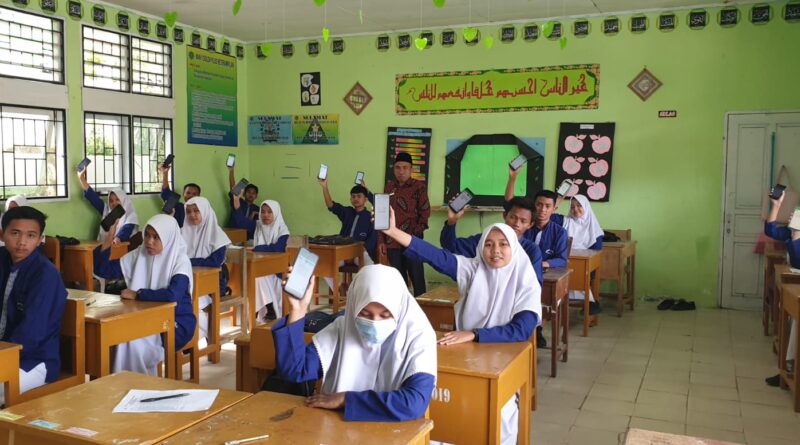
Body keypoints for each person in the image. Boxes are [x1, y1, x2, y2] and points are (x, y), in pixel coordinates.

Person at [383, 210, 540, 445]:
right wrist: (393, 231)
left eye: (503, 244)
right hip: (465, 354)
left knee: (496, 419)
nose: (495, 251)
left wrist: (474, 334)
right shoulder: (473, 269)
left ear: (514, 248)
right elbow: (436, 256)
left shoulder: (526, 281)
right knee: (448, 408)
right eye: (488, 244)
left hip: (504, 358)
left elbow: (521, 330)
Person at [272, 264, 437, 421]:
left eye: (385, 315)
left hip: (394, 431)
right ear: (353, 307)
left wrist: (346, 399)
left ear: (400, 308)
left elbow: (414, 403)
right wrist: (298, 310)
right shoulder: (342, 328)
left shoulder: (418, 336)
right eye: (365, 313)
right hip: (337, 427)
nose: (375, 322)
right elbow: (296, 371)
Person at [110, 214, 196, 375]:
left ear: (168, 237)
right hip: (146, 316)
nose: (149, 241)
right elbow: (105, 269)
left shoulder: (180, 260)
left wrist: (138, 294)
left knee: (132, 343)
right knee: (119, 337)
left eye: (156, 237)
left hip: (176, 321)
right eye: (147, 235)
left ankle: (139, 385)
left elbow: (173, 295)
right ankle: (129, 384)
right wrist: (108, 237)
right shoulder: (141, 253)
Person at [0, 207, 66, 405]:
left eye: (30, 236)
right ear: (2, 235)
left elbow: (32, 332)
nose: (22, 242)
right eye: (15, 233)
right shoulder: (2, 259)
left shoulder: (45, 274)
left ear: (39, 240)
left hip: (33, 360)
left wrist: (4, 356)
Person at [440, 196, 544, 286]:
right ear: (505, 216)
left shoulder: (532, 250)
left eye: (523, 221)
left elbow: (535, 284)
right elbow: (450, 246)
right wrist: (452, 221)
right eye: (513, 217)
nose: (517, 224)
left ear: (530, 225)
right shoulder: (484, 240)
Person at [377, 152, 431, 297]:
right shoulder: (389, 187)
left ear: (411, 169)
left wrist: (415, 237)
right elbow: (382, 214)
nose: (401, 171)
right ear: (394, 169)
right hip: (392, 241)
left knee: (416, 275)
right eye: (398, 168)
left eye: (405, 168)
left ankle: (421, 305)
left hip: (412, 240)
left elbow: (425, 213)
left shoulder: (419, 187)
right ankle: (402, 306)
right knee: (397, 278)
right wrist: (381, 240)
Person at [181, 197, 231, 343]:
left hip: (214, 282)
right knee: (178, 299)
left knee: (190, 302)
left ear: (205, 211)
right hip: (189, 280)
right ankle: (188, 338)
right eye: (188, 211)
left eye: (196, 211)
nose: (192, 215)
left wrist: (188, 261)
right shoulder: (182, 232)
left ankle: (197, 337)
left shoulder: (217, 235)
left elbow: (214, 262)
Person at [764, 190, 800, 387]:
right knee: (789, 323)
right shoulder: (791, 231)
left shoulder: (795, 232)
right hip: (793, 283)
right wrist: (776, 206)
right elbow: (771, 231)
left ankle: (790, 368)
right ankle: (787, 368)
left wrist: (797, 233)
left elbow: (798, 260)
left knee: (794, 327)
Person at [79, 170, 139, 282]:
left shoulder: (130, 215)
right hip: (101, 247)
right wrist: (82, 179)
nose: (114, 203)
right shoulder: (106, 211)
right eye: (111, 201)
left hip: (116, 248)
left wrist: (118, 238)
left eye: (117, 200)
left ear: (123, 200)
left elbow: (126, 230)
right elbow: (94, 198)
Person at [318, 177, 375, 291]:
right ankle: (339, 289)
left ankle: (360, 292)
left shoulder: (370, 217)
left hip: (359, 253)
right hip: (342, 252)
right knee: (323, 265)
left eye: (359, 196)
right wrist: (324, 187)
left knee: (371, 269)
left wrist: (355, 253)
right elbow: (330, 205)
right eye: (353, 196)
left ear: (365, 199)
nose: (356, 199)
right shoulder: (347, 212)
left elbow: (371, 241)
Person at [560, 195, 604, 314]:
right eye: (572, 207)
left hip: (585, 267)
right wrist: (558, 200)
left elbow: (595, 255)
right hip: (565, 262)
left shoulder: (595, 229)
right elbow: (549, 216)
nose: (575, 209)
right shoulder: (566, 222)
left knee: (578, 273)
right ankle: (589, 302)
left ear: (586, 207)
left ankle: (588, 301)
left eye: (579, 206)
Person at [252, 200, 290, 321]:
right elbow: (241, 222)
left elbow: (277, 249)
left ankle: (259, 309)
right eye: (263, 212)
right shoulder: (259, 227)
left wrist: (258, 248)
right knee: (255, 275)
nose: (266, 215)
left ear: (276, 213)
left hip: (278, 271)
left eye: (269, 212)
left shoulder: (283, 230)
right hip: (262, 267)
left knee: (258, 276)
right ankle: (269, 308)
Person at [227, 164, 259, 240]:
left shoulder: (258, 209)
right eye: (248, 192)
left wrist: (253, 214)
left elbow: (252, 226)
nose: (251, 194)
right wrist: (231, 171)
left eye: (253, 193)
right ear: (244, 194)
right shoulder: (238, 201)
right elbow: (233, 190)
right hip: (233, 234)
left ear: (256, 196)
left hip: (248, 237)